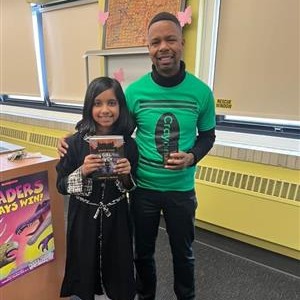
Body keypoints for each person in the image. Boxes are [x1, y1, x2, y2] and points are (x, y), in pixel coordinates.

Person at [58, 12, 216, 300]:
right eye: (155, 42)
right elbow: (109, 122)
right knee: (142, 254)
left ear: (181, 42)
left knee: (184, 254)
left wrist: (192, 156)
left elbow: (208, 136)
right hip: (142, 188)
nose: (163, 47)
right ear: (148, 48)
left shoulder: (202, 93)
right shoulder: (135, 92)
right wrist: (71, 139)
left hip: (181, 190)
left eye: (170, 39)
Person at [56, 77, 138, 300]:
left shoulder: (128, 144)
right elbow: (61, 186)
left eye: (112, 103)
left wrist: (125, 175)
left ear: (120, 106)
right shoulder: (74, 143)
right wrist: (82, 171)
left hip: (117, 216)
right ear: (88, 106)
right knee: (84, 260)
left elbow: (132, 186)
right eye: (97, 103)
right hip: (83, 216)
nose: (105, 110)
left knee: (118, 260)